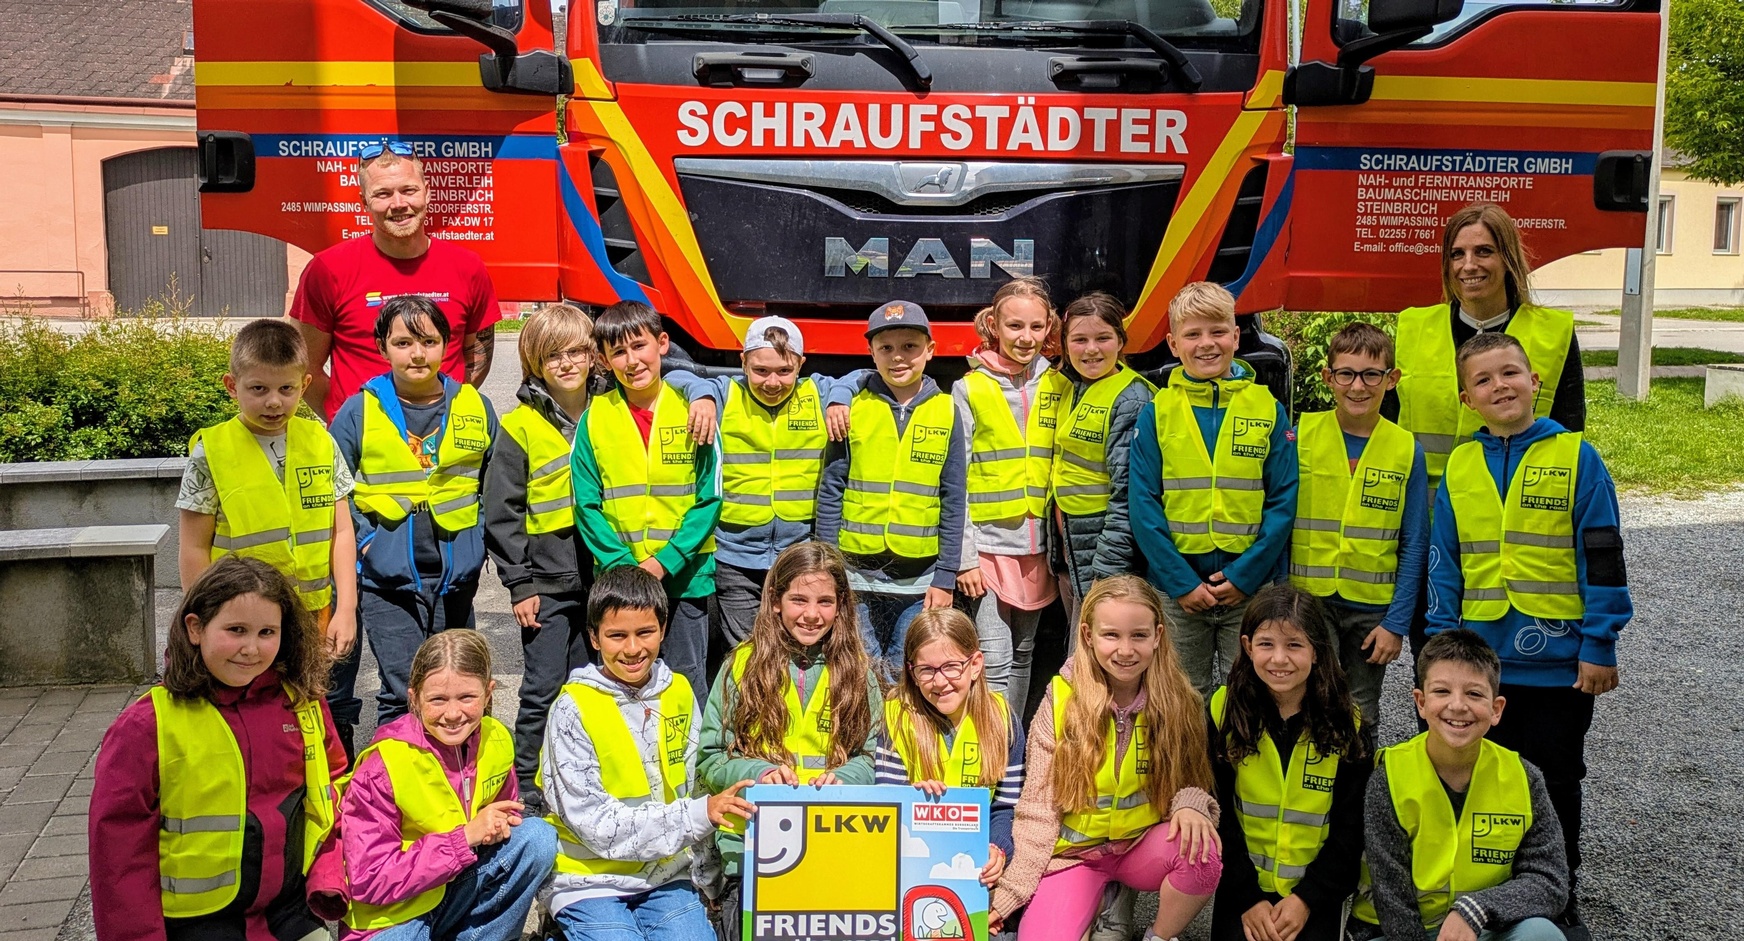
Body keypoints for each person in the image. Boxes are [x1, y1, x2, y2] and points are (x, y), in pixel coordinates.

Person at [1425, 330, 1630, 940]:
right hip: (1481, 667)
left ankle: (1556, 898)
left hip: (1560, 664)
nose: (1500, 386)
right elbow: (1445, 558)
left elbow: (1604, 554)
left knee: (1555, 779)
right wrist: (1439, 645)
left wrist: (1601, 642)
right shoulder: (1461, 462)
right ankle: (1483, 894)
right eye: (1484, 380)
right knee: (1478, 778)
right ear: (1467, 398)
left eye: (1510, 373)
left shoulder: (1577, 456)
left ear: (1534, 380)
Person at [91, 556, 345, 941]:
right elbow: (118, 857)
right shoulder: (147, 725)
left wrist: (327, 879)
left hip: (289, 913)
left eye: (266, 632)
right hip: (193, 926)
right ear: (195, 628)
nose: (251, 648)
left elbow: (333, 797)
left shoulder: (304, 704)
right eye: (236, 629)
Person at [991, 575, 1223, 941]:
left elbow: (1191, 780)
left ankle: (1159, 936)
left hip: (1139, 847)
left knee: (1202, 849)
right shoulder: (1061, 698)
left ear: (1158, 636)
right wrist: (1010, 894)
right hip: (1074, 856)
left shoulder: (1180, 698)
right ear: (1087, 635)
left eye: (1139, 636)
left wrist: (1192, 804)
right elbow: (1038, 807)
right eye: (1111, 635)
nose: (1126, 649)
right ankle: (1096, 902)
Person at [177, 318, 363, 759]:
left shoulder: (320, 439)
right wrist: (201, 623)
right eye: (258, 389)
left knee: (309, 717)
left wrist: (347, 609)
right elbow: (192, 547)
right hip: (241, 623)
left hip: (313, 618)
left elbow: (341, 530)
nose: (274, 402)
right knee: (247, 717)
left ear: (306, 383)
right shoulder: (212, 451)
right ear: (231, 384)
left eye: (286, 389)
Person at [540, 565, 755, 941]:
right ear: (593, 637)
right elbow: (595, 825)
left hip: (663, 873)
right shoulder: (572, 708)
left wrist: (709, 881)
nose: (633, 648)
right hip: (588, 877)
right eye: (616, 635)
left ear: (664, 629)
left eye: (645, 632)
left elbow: (697, 785)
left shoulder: (680, 691)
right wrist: (696, 816)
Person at [697, 541, 882, 941]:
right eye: (799, 599)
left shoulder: (857, 671)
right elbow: (710, 759)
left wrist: (847, 777)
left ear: (841, 606)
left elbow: (873, 754)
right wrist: (758, 772)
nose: (812, 614)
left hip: (834, 847)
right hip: (751, 852)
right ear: (776, 601)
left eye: (825, 602)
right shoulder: (741, 666)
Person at [331, 295, 498, 725]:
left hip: (454, 580)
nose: (418, 353)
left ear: (448, 344)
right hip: (387, 583)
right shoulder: (359, 410)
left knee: (454, 688)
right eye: (403, 343)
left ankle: (452, 781)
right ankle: (392, 787)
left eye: (429, 341)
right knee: (402, 689)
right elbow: (336, 493)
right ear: (382, 347)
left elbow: (493, 484)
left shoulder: (474, 406)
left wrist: (477, 542)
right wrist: (367, 545)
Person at [1130, 282, 1298, 696]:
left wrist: (1247, 575)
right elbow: (1143, 504)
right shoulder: (1157, 412)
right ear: (1173, 344)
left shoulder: (1266, 408)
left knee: (1252, 693)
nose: (1207, 344)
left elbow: (1282, 500)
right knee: (1184, 697)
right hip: (1177, 588)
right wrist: (1181, 582)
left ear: (1236, 337)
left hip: (1248, 585)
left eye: (1217, 331)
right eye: (1192, 334)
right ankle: (1191, 765)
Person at [1348, 629, 1569, 941]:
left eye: (1474, 694)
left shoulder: (1523, 777)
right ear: (1420, 702)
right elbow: (1392, 898)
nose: (1458, 705)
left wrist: (1476, 908)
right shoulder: (1389, 777)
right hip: (1397, 934)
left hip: (1480, 928)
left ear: (1496, 709)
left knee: (1543, 935)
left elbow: (1550, 880)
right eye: (1441, 691)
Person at [337, 630, 557, 940]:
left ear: (489, 693)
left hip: (452, 888)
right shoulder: (384, 764)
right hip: (392, 917)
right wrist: (465, 838)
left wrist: (495, 826)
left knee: (538, 837)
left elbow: (508, 822)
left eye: (467, 697)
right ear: (414, 699)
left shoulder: (496, 739)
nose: (453, 714)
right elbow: (368, 880)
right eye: (438, 700)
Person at [661, 316, 854, 656]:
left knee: (799, 651)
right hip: (736, 557)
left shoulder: (817, 393)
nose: (772, 381)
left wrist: (840, 396)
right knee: (750, 653)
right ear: (743, 362)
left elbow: (860, 376)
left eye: (784, 371)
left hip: (796, 554)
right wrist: (700, 393)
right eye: (760, 371)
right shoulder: (725, 394)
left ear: (801, 365)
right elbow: (674, 373)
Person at [571, 300, 722, 695]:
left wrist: (663, 563)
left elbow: (710, 498)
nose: (632, 361)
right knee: (625, 683)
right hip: (620, 582)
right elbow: (586, 504)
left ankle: (692, 759)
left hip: (685, 581)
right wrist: (625, 567)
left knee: (688, 683)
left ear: (663, 344)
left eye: (639, 346)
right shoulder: (596, 416)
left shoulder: (693, 410)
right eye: (618, 352)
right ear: (604, 360)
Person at [290, 141, 501, 421]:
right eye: (383, 194)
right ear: (364, 201)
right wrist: (346, 420)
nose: (398, 204)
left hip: (447, 438)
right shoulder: (327, 270)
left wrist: (439, 411)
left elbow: (476, 357)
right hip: (365, 448)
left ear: (427, 194)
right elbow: (304, 367)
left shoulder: (468, 267)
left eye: (408, 190)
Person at [1207, 584, 1372, 941]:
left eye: (1294, 645)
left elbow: (1351, 830)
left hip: (1314, 895)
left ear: (1316, 652)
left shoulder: (1349, 726)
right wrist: (1248, 897)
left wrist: (1307, 899)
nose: (1279, 659)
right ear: (1248, 647)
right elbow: (1217, 816)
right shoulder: (1221, 713)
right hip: (1243, 893)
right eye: (1266, 644)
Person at [484, 303, 601, 805]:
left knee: (593, 686)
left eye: (576, 351)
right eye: (553, 355)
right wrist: (520, 584)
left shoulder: (611, 410)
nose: (567, 364)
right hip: (546, 585)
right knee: (542, 689)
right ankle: (527, 790)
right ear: (534, 361)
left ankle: (579, 781)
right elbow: (502, 511)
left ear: (594, 356)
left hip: (604, 575)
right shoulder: (520, 424)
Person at [1388, 203, 1585, 494]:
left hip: (1512, 510)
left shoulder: (1553, 332)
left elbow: (1571, 435)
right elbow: (1385, 428)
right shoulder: (1413, 327)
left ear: (1507, 259)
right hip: (1424, 515)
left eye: (1484, 251)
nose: (1468, 265)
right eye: (1457, 254)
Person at [815, 301, 969, 671]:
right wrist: (827, 566)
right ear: (871, 352)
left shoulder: (947, 410)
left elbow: (954, 498)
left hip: (920, 582)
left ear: (930, 351)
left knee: (905, 671)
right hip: (855, 576)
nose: (898, 357)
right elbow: (831, 487)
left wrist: (946, 576)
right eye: (886, 348)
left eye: (909, 347)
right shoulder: (853, 406)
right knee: (860, 671)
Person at [1288, 322, 1427, 725]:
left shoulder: (1406, 449)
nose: (1358, 387)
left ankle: (1355, 787)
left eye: (1371, 374)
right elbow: (1279, 523)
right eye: (1346, 374)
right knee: (1305, 697)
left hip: (1371, 611)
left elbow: (1415, 542)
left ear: (1392, 379)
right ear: (1328, 377)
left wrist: (1396, 623)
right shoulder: (1301, 437)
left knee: (1359, 708)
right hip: (1308, 600)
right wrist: (1280, 597)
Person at [953, 278, 1068, 717]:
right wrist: (965, 558)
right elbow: (957, 479)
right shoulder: (968, 389)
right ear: (993, 326)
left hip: (1039, 551)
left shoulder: (1059, 387)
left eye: (1037, 327)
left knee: (1025, 657)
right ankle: (993, 759)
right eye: (1015, 326)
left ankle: (1011, 759)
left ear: (1048, 329)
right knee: (994, 662)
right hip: (988, 551)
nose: (1026, 338)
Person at [877, 607, 1026, 884]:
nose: (940, 681)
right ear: (911, 672)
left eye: (951, 667)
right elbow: (885, 804)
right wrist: (911, 799)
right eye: (926, 670)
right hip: (911, 860)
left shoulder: (1002, 719)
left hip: (978, 863)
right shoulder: (897, 717)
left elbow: (1006, 806)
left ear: (975, 665)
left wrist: (998, 848)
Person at [1048, 293, 1154, 620]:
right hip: (1074, 549)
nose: (1091, 349)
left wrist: (1108, 570)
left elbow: (1128, 493)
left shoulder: (1132, 399)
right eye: (1079, 339)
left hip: (1102, 555)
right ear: (1065, 345)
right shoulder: (1072, 387)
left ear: (1121, 341)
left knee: (1093, 652)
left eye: (1103, 338)